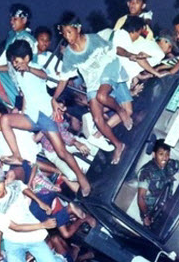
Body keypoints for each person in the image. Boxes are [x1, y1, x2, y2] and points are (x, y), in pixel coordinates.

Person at [0, 39, 92, 196]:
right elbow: (7, 68)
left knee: (61, 152)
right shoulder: (14, 69)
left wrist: (28, 68)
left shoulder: (34, 67)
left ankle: (83, 180)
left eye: (18, 61)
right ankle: (17, 155)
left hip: (45, 116)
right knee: (5, 120)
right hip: (31, 116)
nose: (15, 64)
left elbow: (44, 75)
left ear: (27, 58)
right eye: (13, 61)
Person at [53, 13, 134, 165]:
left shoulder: (93, 39)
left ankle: (121, 111)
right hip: (93, 81)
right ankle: (118, 145)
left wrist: (130, 55)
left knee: (103, 97)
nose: (67, 37)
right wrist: (54, 98)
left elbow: (115, 50)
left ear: (78, 28)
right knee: (97, 119)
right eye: (64, 34)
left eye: (69, 32)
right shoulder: (69, 55)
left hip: (109, 68)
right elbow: (64, 79)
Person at [0, 3, 37, 109]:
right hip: (19, 86)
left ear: (24, 20)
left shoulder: (25, 39)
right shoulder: (14, 37)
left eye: (15, 19)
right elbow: (10, 66)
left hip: (27, 85)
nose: (11, 22)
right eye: (11, 19)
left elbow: (17, 66)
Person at [137, 139, 179, 227]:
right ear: (154, 154)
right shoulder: (146, 172)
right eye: (161, 154)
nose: (165, 158)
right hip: (152, 214)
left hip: (169, 208)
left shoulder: (170, 164)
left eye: (167, 154)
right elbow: (141, 198)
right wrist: (146, 216)